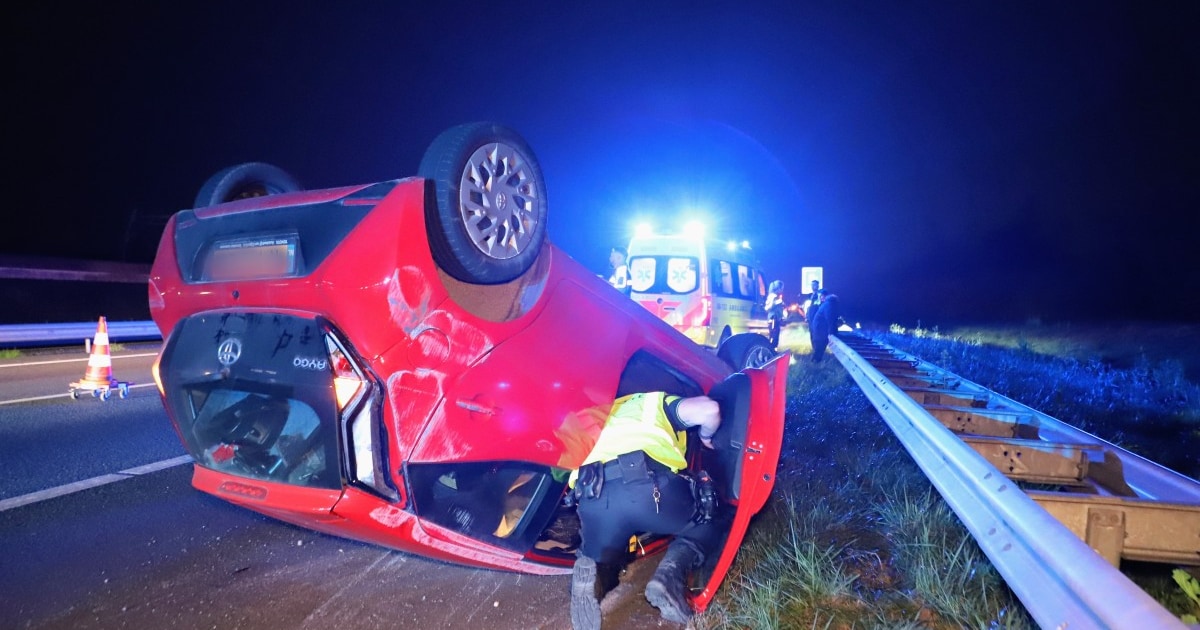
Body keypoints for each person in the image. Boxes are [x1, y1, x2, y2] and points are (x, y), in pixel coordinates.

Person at [567, 391, 729, 629]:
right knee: (706, 523)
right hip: (649, 488)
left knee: (599, 557)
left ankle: (593, 577)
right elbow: (709, 410)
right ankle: (669, 577)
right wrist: (706, 437)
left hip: (594, 501)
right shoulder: (650, 402)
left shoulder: (585, 418)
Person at [808, 289, 840, 363]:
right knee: (820, 346)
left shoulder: (827, 303)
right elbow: (829, 318)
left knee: (820, 345)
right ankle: (815, 361)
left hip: (818, 328)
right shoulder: (829, 304)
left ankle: (815, 361)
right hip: (819, 329)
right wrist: (832, 331)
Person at [764, 280, 786, 349]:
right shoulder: (772, 296)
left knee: (775, 336)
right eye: (781, 288)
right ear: (777, 288)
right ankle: (771, 350)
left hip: (776, 319)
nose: (782, 290)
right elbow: (768, 307)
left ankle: (773, 350)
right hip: (773, 319)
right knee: (773, 336)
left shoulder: (775, 296)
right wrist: (778, 302)